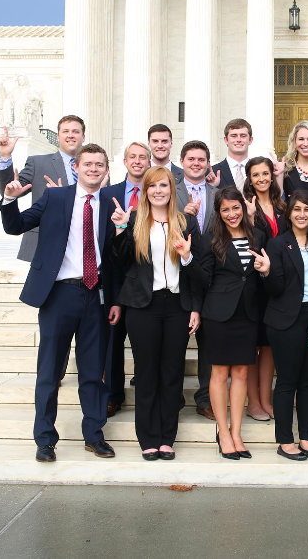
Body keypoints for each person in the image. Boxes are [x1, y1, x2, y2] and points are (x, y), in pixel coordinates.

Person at [0, 143, 122, 463]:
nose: (93, 169)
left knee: (93, 371)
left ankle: (94, 435)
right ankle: (45, 439)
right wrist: (9, 198)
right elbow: (15, 226)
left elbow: (116, 258)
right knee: (50, 370)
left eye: (99, 164)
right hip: (58, 294)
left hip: (96, 297)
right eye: (88, 164)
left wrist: (115, 298)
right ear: (76, 168)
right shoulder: (56, 198)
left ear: (106, 170)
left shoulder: (112, 204)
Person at [110, 166, 203, 461]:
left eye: (163, 185)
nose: (158, 191)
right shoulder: (136, 220)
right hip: (143, 307)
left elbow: (199, 272)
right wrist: (122, 230)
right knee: (147, 373)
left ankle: (166, 438)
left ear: (171, 190)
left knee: (172, 373)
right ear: (146, 190)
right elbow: (120, 262)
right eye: (153, 186)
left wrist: (195, 307)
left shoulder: (185, 222)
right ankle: (148, 438)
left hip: (177, 306)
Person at [252, 190, 308, 461]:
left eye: (307, 209)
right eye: (297, 209)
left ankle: (306, 438)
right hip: (285, 321)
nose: (302, 214)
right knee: (288, 381)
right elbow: (276, 289)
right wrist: (266, 271)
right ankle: (285, 441)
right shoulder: (278, 245)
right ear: (288, 213)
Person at [192, 187, 267, 460]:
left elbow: (260, 275)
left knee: (242, 375)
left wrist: (266, 271)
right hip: (219, 314)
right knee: (219, 374)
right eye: (225, 209)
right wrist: (189, 258)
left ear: (243, 208)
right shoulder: (211, 238)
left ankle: (237, 433)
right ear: (218, 212)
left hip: (248, 314)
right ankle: (223, 432)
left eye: (236, 208)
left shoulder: (257, 235)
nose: (231, 214)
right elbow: (201, 280)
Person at [0, 115, 87, 262]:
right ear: (58, 137)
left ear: (83, 137)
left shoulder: (95, 167)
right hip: (45, 246)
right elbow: (11, 189)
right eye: (65, 131)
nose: (70, 135)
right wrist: (5, 157)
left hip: (84, 246)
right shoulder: (38, 163)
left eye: (75, 131)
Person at [105, 141, 152, 416]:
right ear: (124, 162)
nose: (137, 161)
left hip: (145, 280)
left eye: (142, 157)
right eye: (132, 157)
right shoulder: (108, 193)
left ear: (149, 162)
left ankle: (147, 395)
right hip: (114, 276)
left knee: (144, 346)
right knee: (113, 343)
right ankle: (113, 395)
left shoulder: (156, 193)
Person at [175, 140, 218, 421]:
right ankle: (174, 396)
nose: (196, 163)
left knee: (209, 345)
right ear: (182, 162)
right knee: (176, 343)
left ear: (207, 163)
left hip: (210, 277)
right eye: (191, 159)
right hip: (177, 275)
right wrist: (183, 216)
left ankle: (205, 398)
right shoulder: (169, 191)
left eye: (201, 159)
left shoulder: (218, 194)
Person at [241, 156, 287, 421]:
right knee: (253, 346)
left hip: (277, 283)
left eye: (265, 173)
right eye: (256, 174)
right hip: (253, 284)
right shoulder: (247, 206)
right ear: (250, 178)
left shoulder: (282, 205)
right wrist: (248, 217)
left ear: (272, 175)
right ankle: (253, 402)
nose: (261, 178)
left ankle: (266, 399)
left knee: (269, 346)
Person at [207, 118, 253, 190]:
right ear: (226, 140)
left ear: (250, 140)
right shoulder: (212, 173)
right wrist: (211, 187)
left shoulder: (260, 170)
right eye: (234, 136)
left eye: (243, 136)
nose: (238, 140)